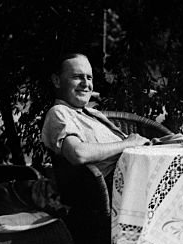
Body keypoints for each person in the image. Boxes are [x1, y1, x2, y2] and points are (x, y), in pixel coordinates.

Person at [41, 53, 151, 185]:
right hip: (120, 185)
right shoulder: (59, 112)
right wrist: (128, 144)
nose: (86, 84)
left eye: (89, 78)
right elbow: (78, 153)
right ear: (57, 81)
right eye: (77, 77)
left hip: (139, 168)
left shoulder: (92, 113)